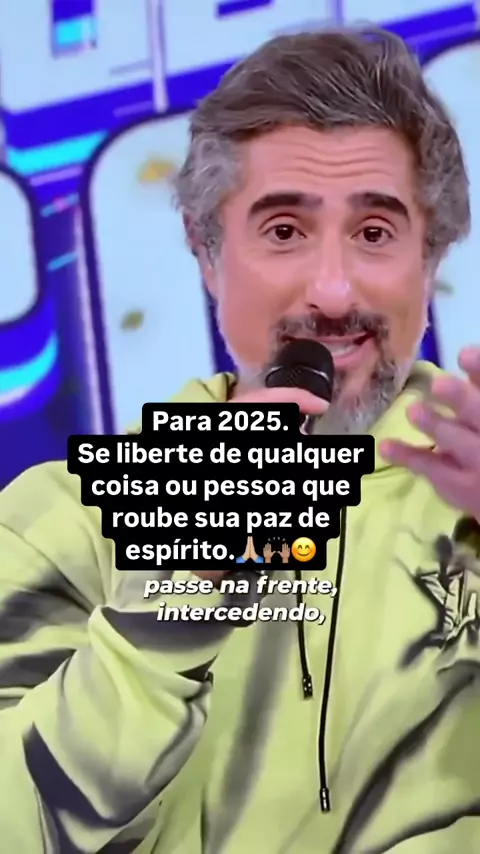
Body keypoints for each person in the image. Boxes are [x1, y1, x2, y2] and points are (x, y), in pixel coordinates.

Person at [1, 25, 480, 854]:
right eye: (284, 230)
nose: (333, 292)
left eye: (375, 232)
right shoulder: (64, 520)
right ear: (206, 252)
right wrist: (173, 599)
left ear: (429, 255)